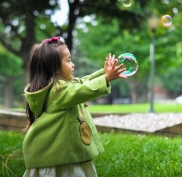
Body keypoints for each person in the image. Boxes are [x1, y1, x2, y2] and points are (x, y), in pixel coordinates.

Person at [22, 36, 127, 177]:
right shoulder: (57, 92)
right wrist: (106, 78)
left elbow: (83, 82)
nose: (73, 65)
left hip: (64, 155)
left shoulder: (60, 87)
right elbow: (82, 90)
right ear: (54, 68)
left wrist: (104, 72)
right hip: (59, 160)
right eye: (68, 61)